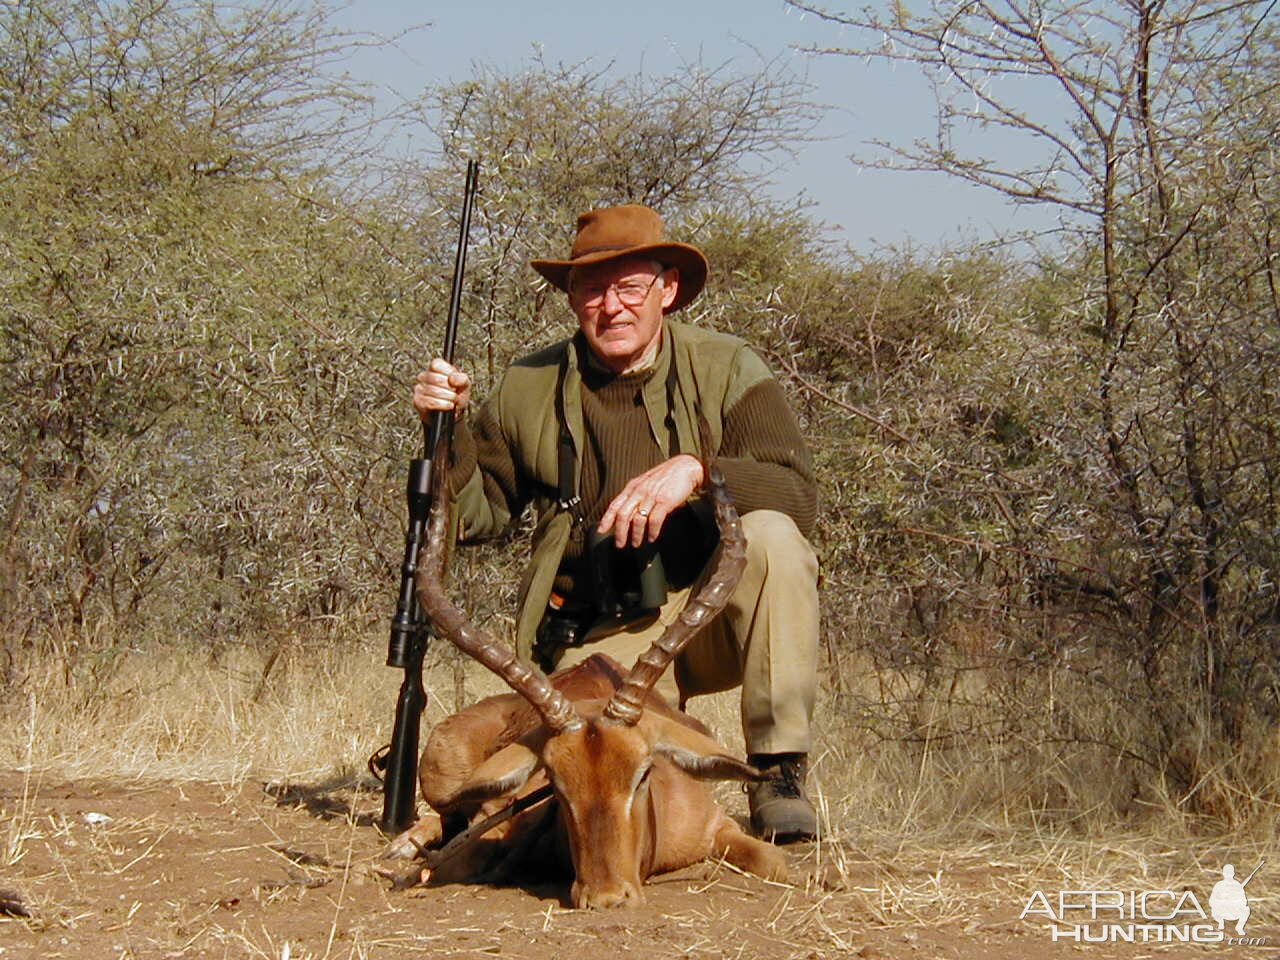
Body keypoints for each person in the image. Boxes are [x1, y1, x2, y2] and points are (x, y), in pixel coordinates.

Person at [412, 203, 820, 842]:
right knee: (575, 770)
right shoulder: (528, 384)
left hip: (711, 614)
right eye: (593, 289)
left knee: (773, 537)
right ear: (572, 298)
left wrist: (698, 471)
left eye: (630, 287)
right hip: (606, 626)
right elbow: (473, 516)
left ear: (668, 291)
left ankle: (778, 770)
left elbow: (797, 493)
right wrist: (448, 430)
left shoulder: (728, 366)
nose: (613, 306)